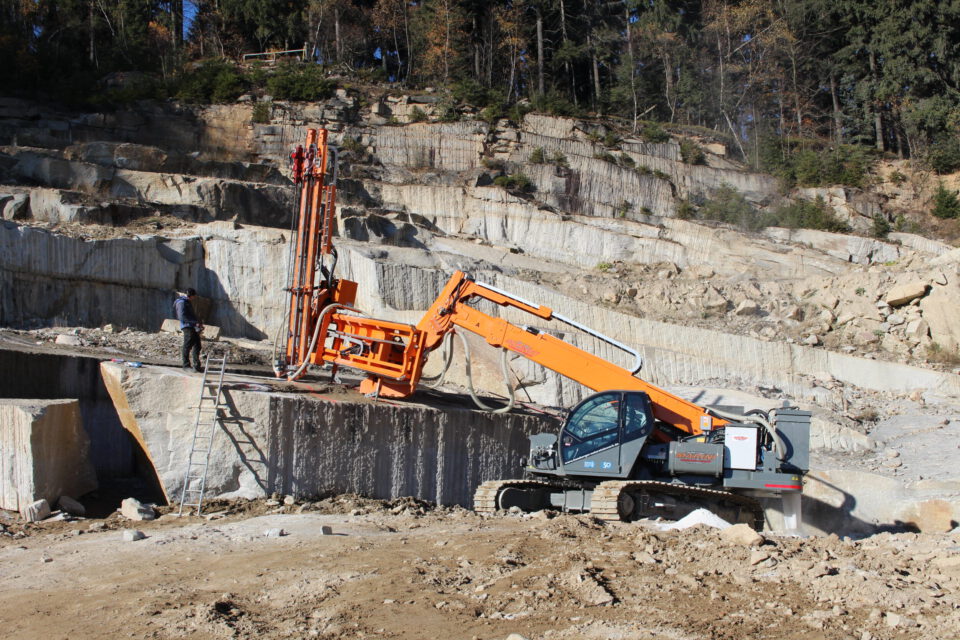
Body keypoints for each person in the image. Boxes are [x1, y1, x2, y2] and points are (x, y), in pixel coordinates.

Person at [173, 288, 204, 371]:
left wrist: (197, 324)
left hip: (192, 326)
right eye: (194, 296)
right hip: (187, 326)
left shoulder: (187, 302)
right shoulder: (181, 302)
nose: (194, 298)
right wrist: (195, 323)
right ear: (191, 295)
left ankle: (196, 365)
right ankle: (186, 365)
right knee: (187, 345)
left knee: (197, 345)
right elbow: (182, 316)